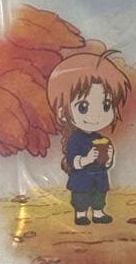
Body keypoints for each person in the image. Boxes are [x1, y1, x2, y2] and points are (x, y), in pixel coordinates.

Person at [46, 50, 131, 226]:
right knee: (81, 197)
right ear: (62, 112)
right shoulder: (75, 139)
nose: (96, 116)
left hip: (99, 178)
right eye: (83, 107)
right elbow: (72, 161)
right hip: (82, 179)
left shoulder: (101, 138)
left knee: (99, 196)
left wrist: (109, 158)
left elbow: (107, 164)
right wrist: (86, 159)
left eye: (106, 105)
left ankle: (98, 213)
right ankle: (81, 214)